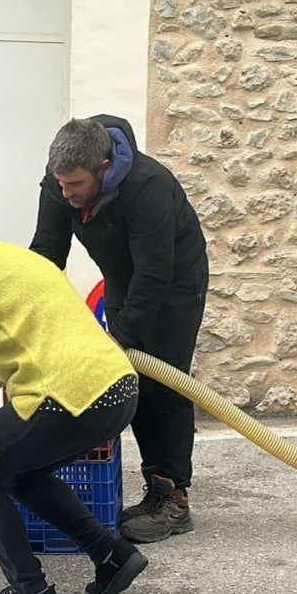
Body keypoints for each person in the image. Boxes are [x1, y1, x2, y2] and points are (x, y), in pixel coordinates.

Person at [0, 192, 147, 594]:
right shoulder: (12, 258)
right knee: (19, 474)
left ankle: (30, 592)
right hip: (116, 387)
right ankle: (110, 554)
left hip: (66, 395)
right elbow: (26, 348)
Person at [31, 115, 208, 544]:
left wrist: (120, 335)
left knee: (164, 384)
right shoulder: (59, 183)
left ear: (104, 167)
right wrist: (28, 313)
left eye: (76, 184)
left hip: (173, 283)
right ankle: (154, 486)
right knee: (131, 379)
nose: (66, 193)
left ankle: (173, 499)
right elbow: (46, 253)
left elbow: (154, 272)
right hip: (122, 279)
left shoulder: (149, 186)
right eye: (61, 183)